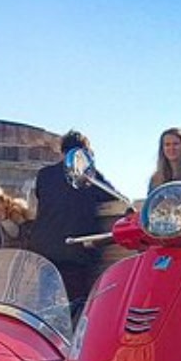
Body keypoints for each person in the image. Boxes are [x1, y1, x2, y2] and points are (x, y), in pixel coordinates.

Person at [28, 131, 110, 308]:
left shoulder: (44, 175)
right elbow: (111, 196)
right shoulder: (89, 176)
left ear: (62, 152)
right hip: (75, 251)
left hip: (43, 249)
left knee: (45, 306)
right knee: (74, 309)